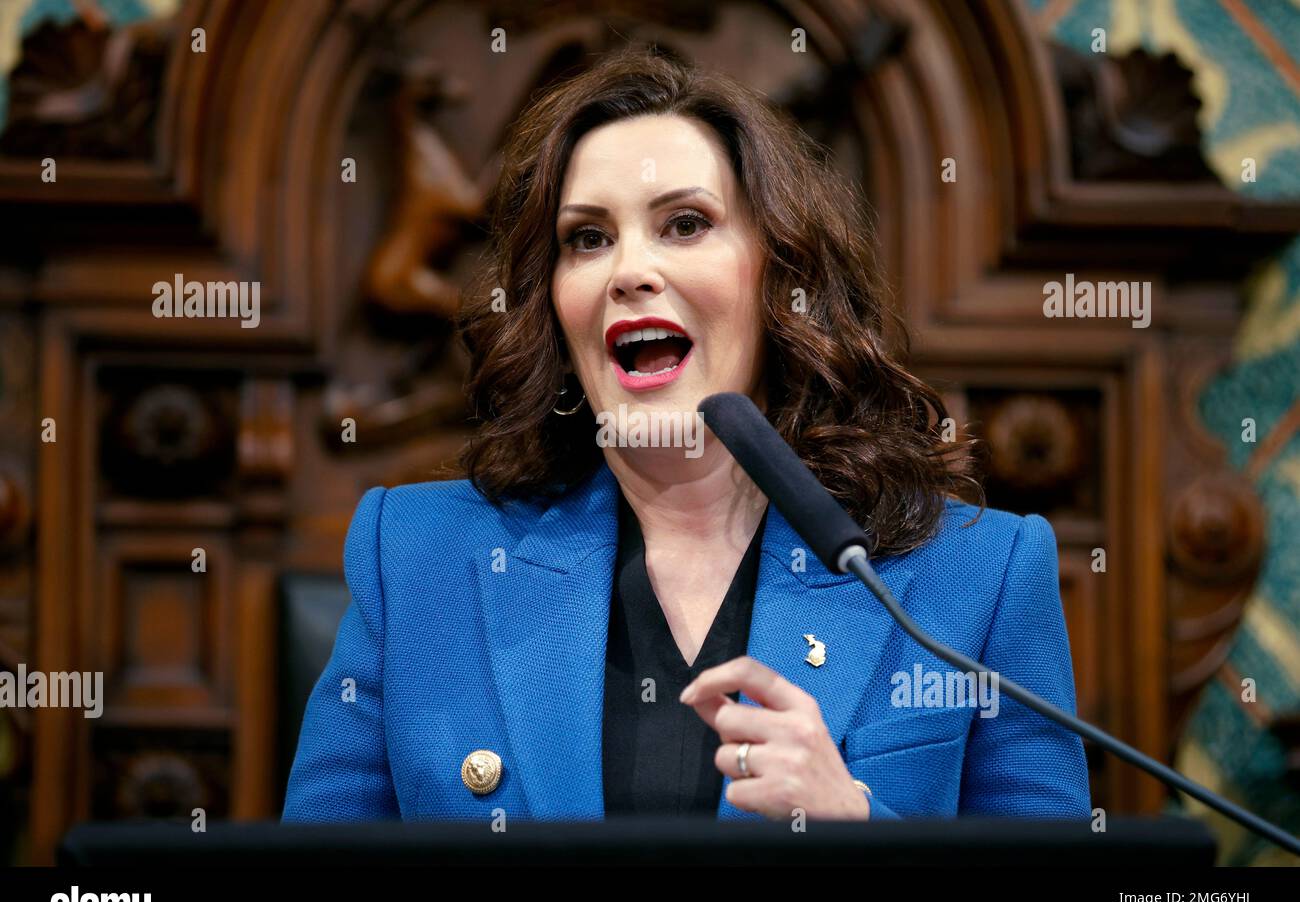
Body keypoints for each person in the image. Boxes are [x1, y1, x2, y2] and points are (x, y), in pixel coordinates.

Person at [282, 47, 1090, 824]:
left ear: (782, 277)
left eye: (684, 224)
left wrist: (856, 827)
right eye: (587, 238)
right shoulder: (418, 560)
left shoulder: (975, 577)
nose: (629, 270)